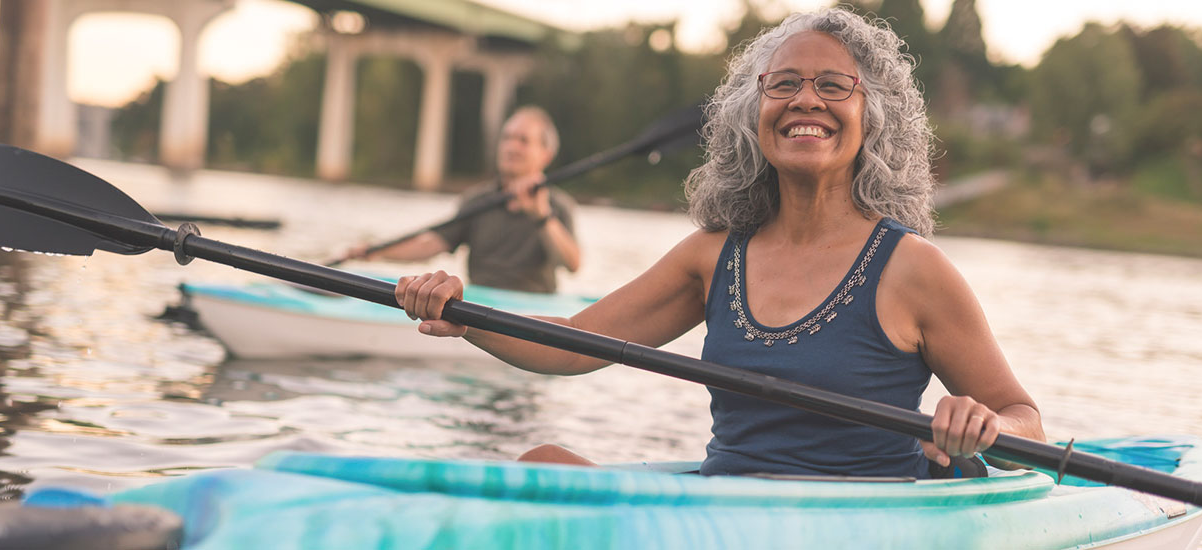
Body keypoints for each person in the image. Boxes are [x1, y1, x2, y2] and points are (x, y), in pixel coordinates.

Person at [394, 8, 1045, 478]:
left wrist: (984, 427)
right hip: (723, 515)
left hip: (852, 520)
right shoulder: (712, 255)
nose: (805, 100)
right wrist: (461, 312)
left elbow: (1024, 417)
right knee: (540, 466)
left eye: (832, 85)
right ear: (750, 112)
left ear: (872, 115)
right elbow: (568, 344)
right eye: (783, 83)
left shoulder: (914, 269)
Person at [351, 106, 581, 294]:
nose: (512, 147)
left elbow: (572, 264)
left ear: (546, 155)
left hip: (534, 310)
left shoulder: (558, 205)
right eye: (507, 138)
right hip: (481, 303)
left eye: (523, 140)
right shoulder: (477, 199)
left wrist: (541, 216)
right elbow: (431, 244)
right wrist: (377, 251)